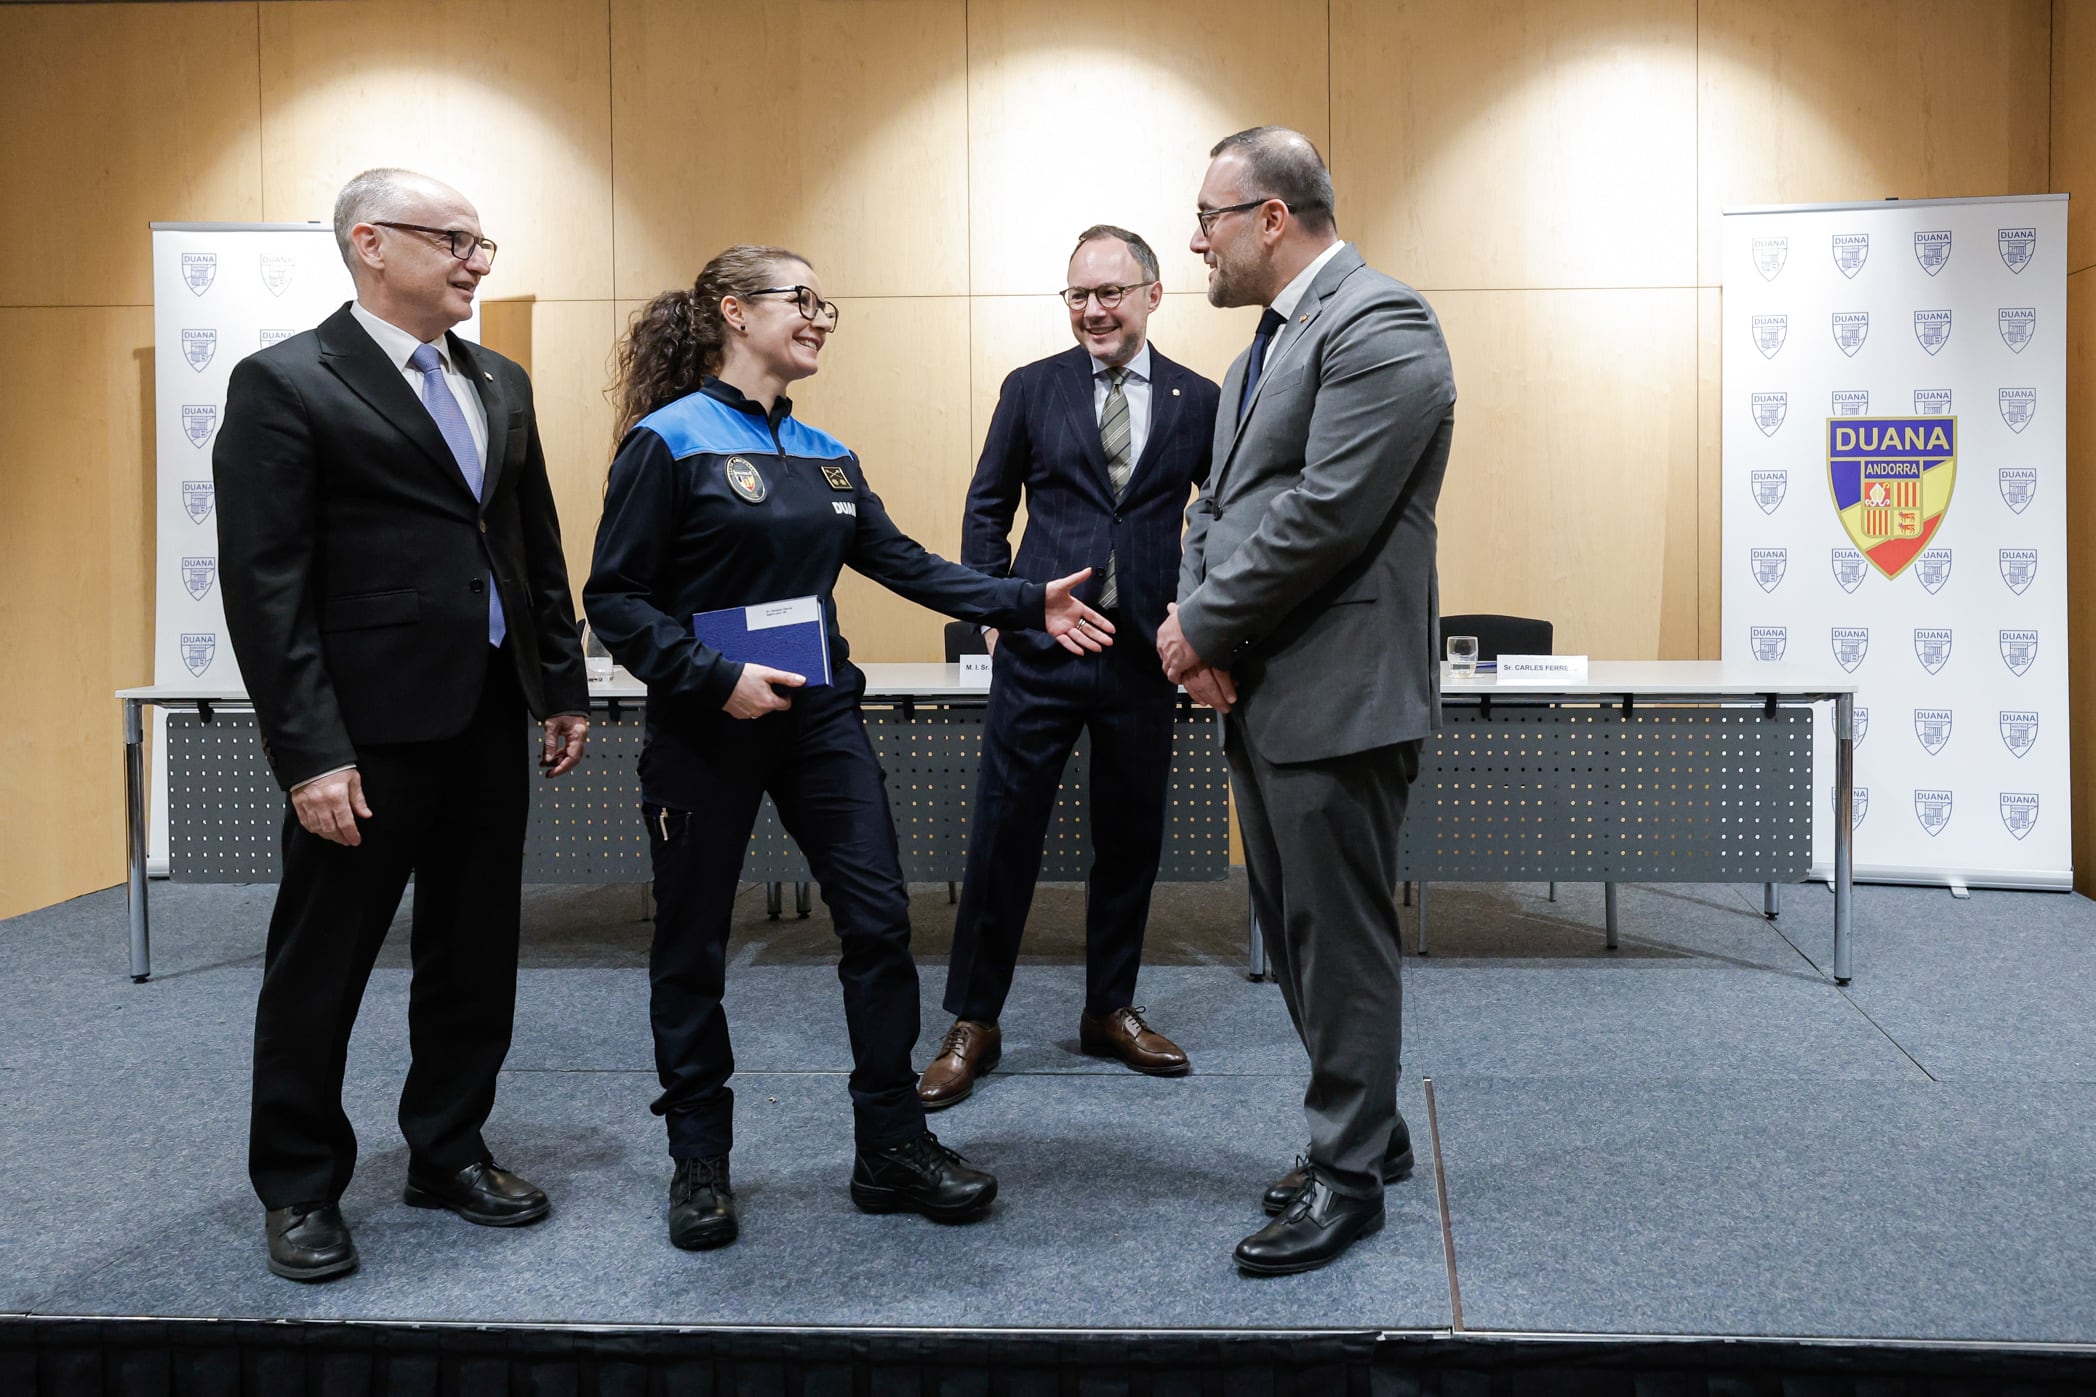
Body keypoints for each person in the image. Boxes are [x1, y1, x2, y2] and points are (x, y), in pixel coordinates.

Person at [584, 245, 1116, 1252]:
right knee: (691, 944)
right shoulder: (668, 441)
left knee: (876, 924)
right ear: (734, 312)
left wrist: (1021, 601)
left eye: (827, 303)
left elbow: (900, 561)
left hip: (820, 720)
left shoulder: (827, 451)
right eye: (802, 300)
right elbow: (613, 599)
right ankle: (698, 1161)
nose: (821, 317)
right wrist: (711, 675)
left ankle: (889, 1144)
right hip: (708, 723)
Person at [214, 168, 592, 1283]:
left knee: (474, 951)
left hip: (484, 711)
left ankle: (448, 1147)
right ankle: (297, 1184)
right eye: (455, 239)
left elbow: (531, 542)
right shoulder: (286, 381)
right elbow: (265, 585)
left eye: (484, 242)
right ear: (370, 243)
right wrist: (309, 750)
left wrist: (561, 684)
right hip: (363, 733)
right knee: (321, 963)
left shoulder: (498, 379)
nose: (478, 259)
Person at [1158, 127, 1456, 1275]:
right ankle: (1366, 1137)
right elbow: (1216, 508)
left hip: (1337, 692)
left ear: (1271, 216)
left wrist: (1200, 625)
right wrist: (1203, 635)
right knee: (1294, 936)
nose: (1197, 241)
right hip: (1264, 683)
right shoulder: (1257, 352)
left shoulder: (1381, 324)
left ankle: (1346, 1176)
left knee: (1336, 942)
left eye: (1208, 217)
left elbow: (1326, 511)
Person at [918, 226, 1221, 1110]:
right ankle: (975, 1018)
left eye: (1111, 293)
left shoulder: (1198, 398)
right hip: (1043, 653)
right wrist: (997, 615)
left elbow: (1220, 514)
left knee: (1130, 839)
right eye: (1079, 295)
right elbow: (987, 506)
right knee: (1003, 837)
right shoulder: (1031, 388)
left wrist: (1194, 615)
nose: (1093, 310)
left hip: (1141, 658)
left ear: (1153, 295)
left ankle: (1110, 1008)